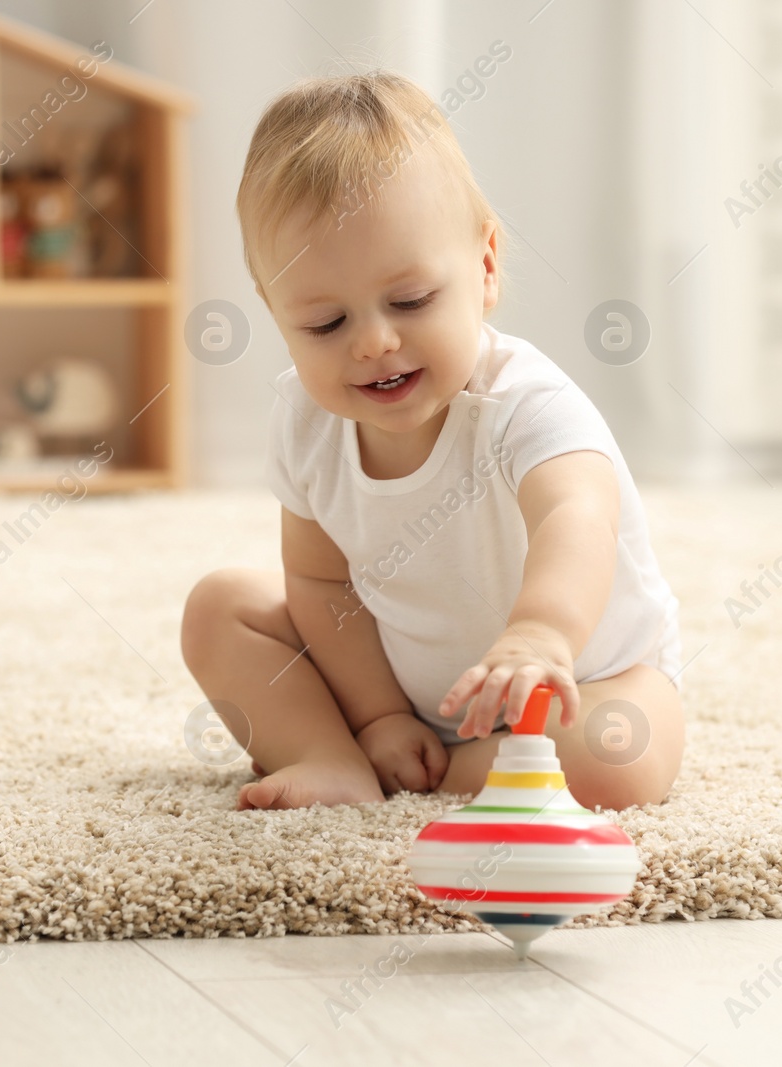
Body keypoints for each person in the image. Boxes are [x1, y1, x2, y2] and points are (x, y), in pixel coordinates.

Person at [181, 71, 684, 811]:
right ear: (276, 311)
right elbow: (323, 585)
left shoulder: (526, 405)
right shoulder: (305, 420)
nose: (375, 343)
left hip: (575, 686)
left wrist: (541, 636)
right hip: (402, 691)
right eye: (325, 323)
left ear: (484, 267)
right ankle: (334, 758)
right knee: (220, 608)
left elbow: (578, 518)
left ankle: (455, 773)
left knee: (624, 752)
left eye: (410, 301)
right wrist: (378, 715)